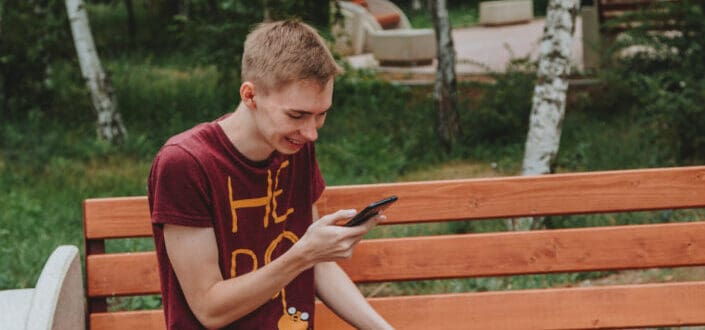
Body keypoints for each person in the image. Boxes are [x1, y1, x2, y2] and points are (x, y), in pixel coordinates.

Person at [148, 20, 393, 329]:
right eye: (297, 115)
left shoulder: (295, 147)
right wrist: (303, 255)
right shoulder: (185, 164)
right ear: (250, 96)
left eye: (321, 115)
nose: (310, 132)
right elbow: (209, 309)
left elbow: (318, 266)